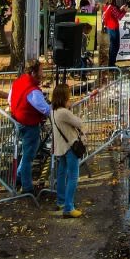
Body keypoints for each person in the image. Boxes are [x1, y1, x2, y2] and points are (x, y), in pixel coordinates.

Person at [9, 59, 51, 193]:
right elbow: (45, 109)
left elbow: (10, 99)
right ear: (33, 72)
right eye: (41, 71)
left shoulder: (18, 82)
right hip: (29, 125)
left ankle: (19, 177)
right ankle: (27, 188)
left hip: (18, 122)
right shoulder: (33, 91)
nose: (42, 74)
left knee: (26, 154)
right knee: (28, 156)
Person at [50, 82, 86, 218]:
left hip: (60, 147)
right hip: (70, 146)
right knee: (73, 177)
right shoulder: (64, 112)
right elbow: (80, 123)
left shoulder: (53, 111)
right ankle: (69, 207)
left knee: (61, 174)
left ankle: (61, 201)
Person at [102, 0, 125, 69]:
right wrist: (124, 11)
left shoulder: (106, 6)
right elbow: (119, 17)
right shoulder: (112, 8)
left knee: (112, 46)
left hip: (109, 27)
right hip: (114, 28)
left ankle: (111, 63)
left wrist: (120, 10)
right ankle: (112, 64)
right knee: (115, 46)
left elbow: (115, 14)